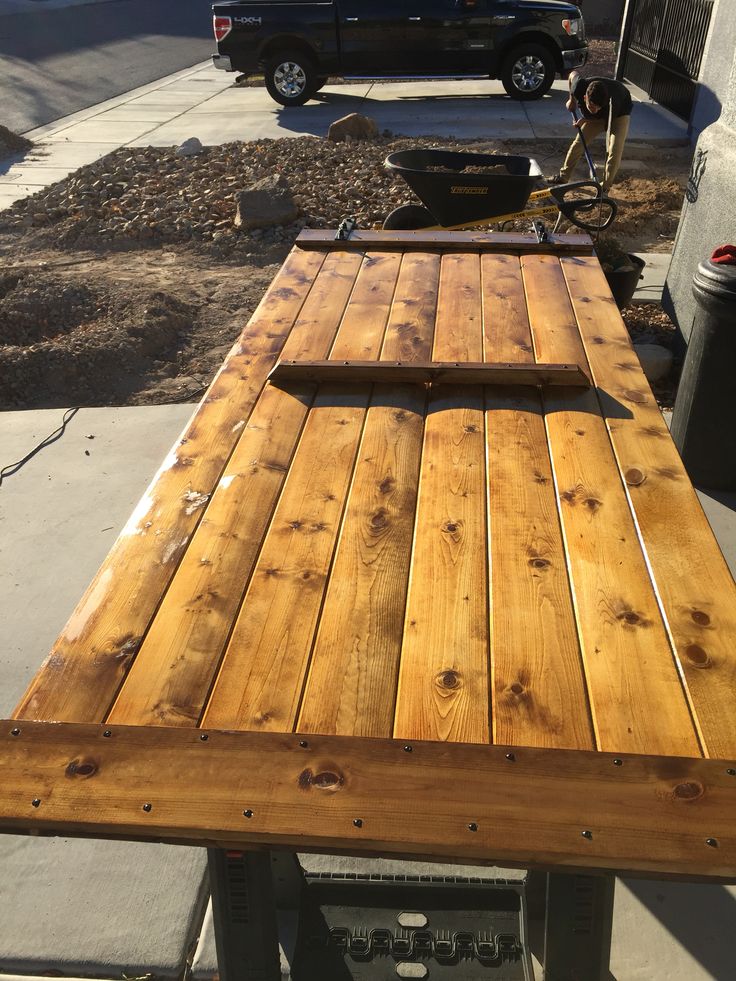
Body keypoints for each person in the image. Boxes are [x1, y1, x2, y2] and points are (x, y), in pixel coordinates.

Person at [550, 72, 632, 193]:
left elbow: (605, 123)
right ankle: (563, 177)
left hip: (620, 114)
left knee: (615, 150)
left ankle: (604, 188)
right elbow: (572, 74)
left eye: (598, 108)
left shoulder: (612, 105)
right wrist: (571, 100)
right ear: (585, 97)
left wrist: (584, 119)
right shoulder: (579, 86)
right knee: (579, 143)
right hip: (604, 112)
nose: (595, 110)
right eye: (592, 107)